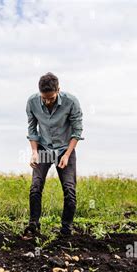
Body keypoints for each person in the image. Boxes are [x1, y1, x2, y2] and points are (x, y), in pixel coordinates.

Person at [25, 72, 84, 238]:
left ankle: (66, 230)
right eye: (44, 98)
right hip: (43, 148)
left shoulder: (71, 102)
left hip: (65, 149)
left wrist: (67, 154)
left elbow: (77, 130)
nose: (47, 101)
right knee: (35, 187)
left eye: (51, 98)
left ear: (58, 89)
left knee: (69, 190)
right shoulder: (32, 102)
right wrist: (34, 152)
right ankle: (34, 226)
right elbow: (32, 129)